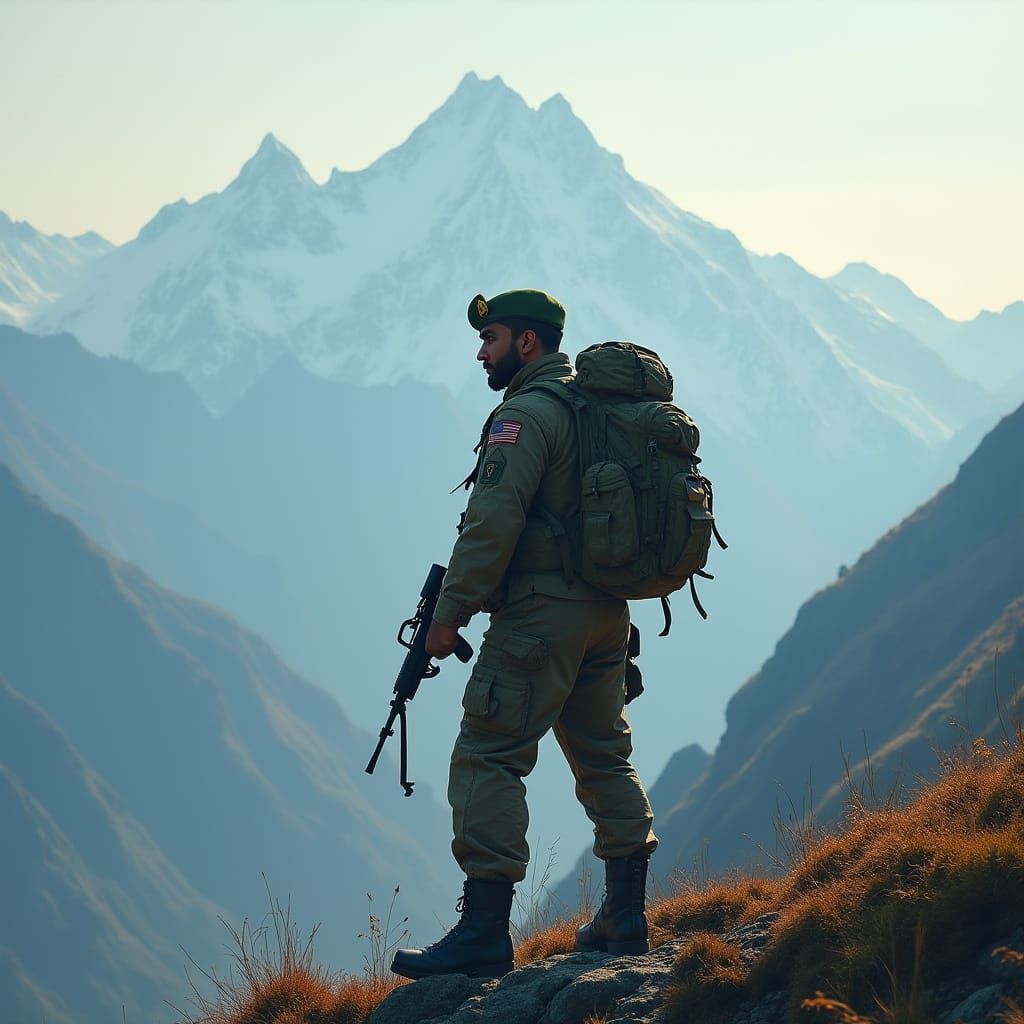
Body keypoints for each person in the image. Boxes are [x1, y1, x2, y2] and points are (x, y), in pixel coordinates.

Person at [390, 289, 658, 982]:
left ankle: (483, 931)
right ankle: (625, 917)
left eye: (493, 338)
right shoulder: (592, 410)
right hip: (606, 617)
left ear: (528, 344)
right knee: (604, 757)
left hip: (540, 618)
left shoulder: (525, 416)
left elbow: (491, 522)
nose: (482, 351)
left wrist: (448, 618)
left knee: (488, 753)